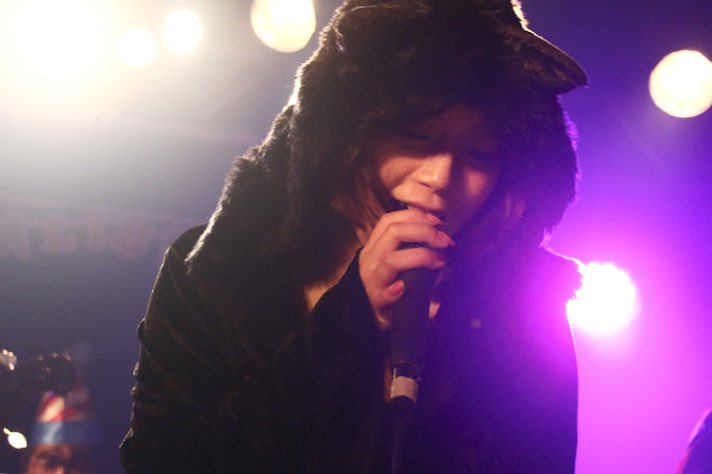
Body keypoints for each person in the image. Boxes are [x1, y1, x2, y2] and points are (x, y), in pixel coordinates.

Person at [120, 0, 587, 472]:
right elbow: (160, 461)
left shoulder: (524, 307)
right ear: (349, 135)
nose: (442, 178)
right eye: (418, 137)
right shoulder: (212, 270)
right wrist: (348, 319)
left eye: (481, 154)